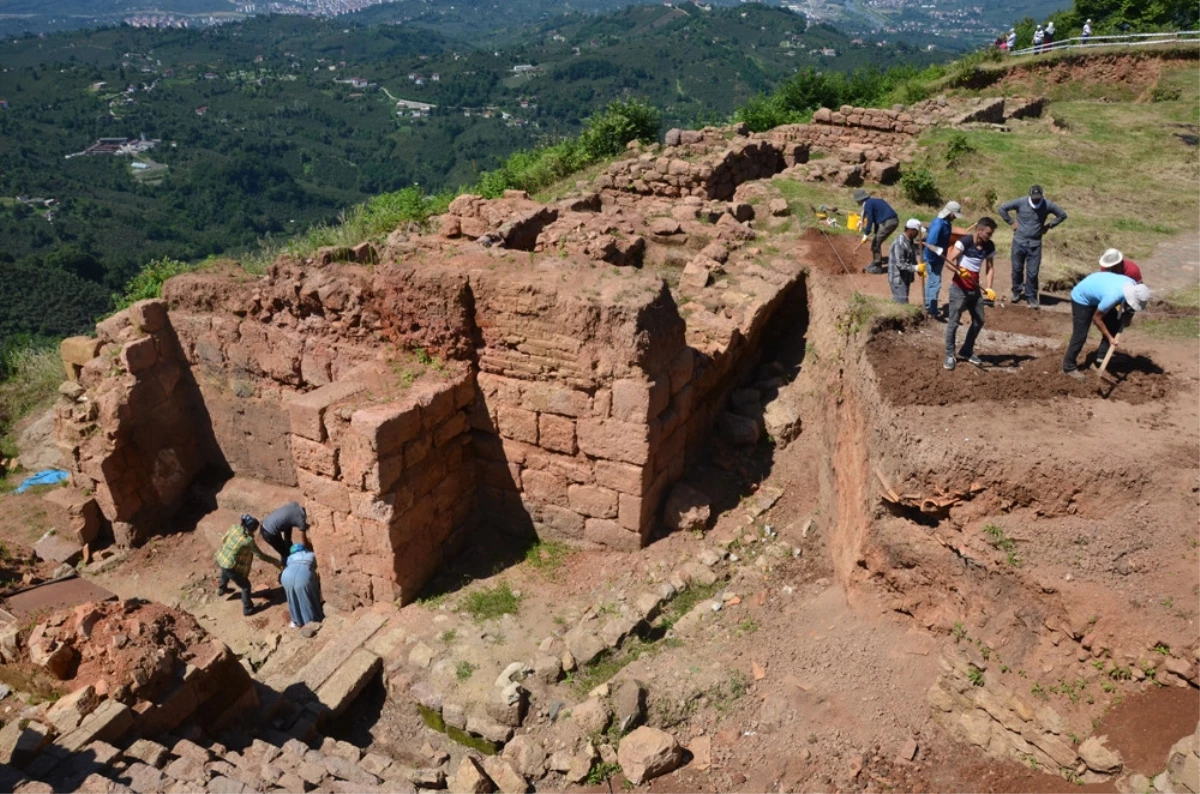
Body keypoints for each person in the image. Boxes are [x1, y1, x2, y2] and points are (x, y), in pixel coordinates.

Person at [1063, 271, 1150, 379]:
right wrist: (1110, 338)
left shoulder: (1133, 285)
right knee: (1080, 334)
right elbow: (1096, 318)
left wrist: (1127, 316)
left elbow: (1128, 309)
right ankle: (1068, 367)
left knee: (1114, 323)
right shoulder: (1112, 296)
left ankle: (1101, 357)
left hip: (1099, 292)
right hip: (1082, 298)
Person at [998, 185, 1068, 308]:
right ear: (1030, 195)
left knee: (1033, 272)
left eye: (1038, 197)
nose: (1036, 200)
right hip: (1019, 242)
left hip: (1035, 244)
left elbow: (1062, 215)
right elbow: (1002, 208)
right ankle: (1016, 291)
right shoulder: (1021, 202)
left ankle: (1031, 296)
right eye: (1034, 197)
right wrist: (1011, 222)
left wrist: (1049, 226)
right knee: (1017, 269)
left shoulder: (1047, 205)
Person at [942, 217, 997, 371]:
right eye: (988, 233)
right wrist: (960, 271)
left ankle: (966, 350)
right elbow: (949, 261)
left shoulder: (989, 246)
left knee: (979, 320)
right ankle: (949, 354)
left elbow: (990, 268)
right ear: (979, 230)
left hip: (975, 290)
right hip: (959, 288)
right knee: (953, 322)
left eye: (991, 234)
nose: (989, 236)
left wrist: (989, 288)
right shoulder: (964, 242)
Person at [216, 514, 281, 616]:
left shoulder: (234, 528)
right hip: (230, 566)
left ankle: (221, 589)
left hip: (221, 557)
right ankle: (248, 609)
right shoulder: (248, 541)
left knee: (225, 571)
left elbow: (223, 539)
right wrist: (275, 561)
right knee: (245, 586)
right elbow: (261, 556)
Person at [922, 200, 962, 320]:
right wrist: (938, 252)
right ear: (949, 213)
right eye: (954, 215)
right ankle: (932, 311)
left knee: (931, 283)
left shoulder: (946, 222)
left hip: (938, 258)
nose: (955, 217)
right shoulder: (939, 224)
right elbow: (930, 243)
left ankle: (928, 306)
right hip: (932, 258)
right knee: (935, 283)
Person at [281, 530, 324, 629]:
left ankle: (297, 621)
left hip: (287, 575)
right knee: (309, 597)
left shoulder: (290, 558)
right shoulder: (311, 555)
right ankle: (312, 621)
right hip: (303, 575)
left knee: (292, 598)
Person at [853, 188, 898, 274]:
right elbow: (877, 218)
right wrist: (875, 232)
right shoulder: (873, 201)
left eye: (857, 200)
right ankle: (876, 261)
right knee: (876, 241)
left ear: (860, 200)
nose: (856, 202)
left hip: (889, 222)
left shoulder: (868, 204)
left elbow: (870, 219)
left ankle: (877, 267)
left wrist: (866, 234)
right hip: (891, 221)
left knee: (875, 243)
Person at [256, 501, 308, 566]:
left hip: (266, 523)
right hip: (270, 533)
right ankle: (286, 568)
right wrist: (308, 550)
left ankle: (289, 553)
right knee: (285, 553)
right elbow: (304, 539)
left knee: (288, 537)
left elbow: (288, 519)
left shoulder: (294, 504)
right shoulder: (301, 521)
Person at [888, 219, 923, 303]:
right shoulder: (900, 243)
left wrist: (918, 268)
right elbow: (900, 265)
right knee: (902, 303)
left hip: (905, 278)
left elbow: (911, 257)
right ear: (911, 230)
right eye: (917, 232)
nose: (918, 234)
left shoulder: (909, 241)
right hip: (898, 279)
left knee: (903, 301)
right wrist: (916, 268)